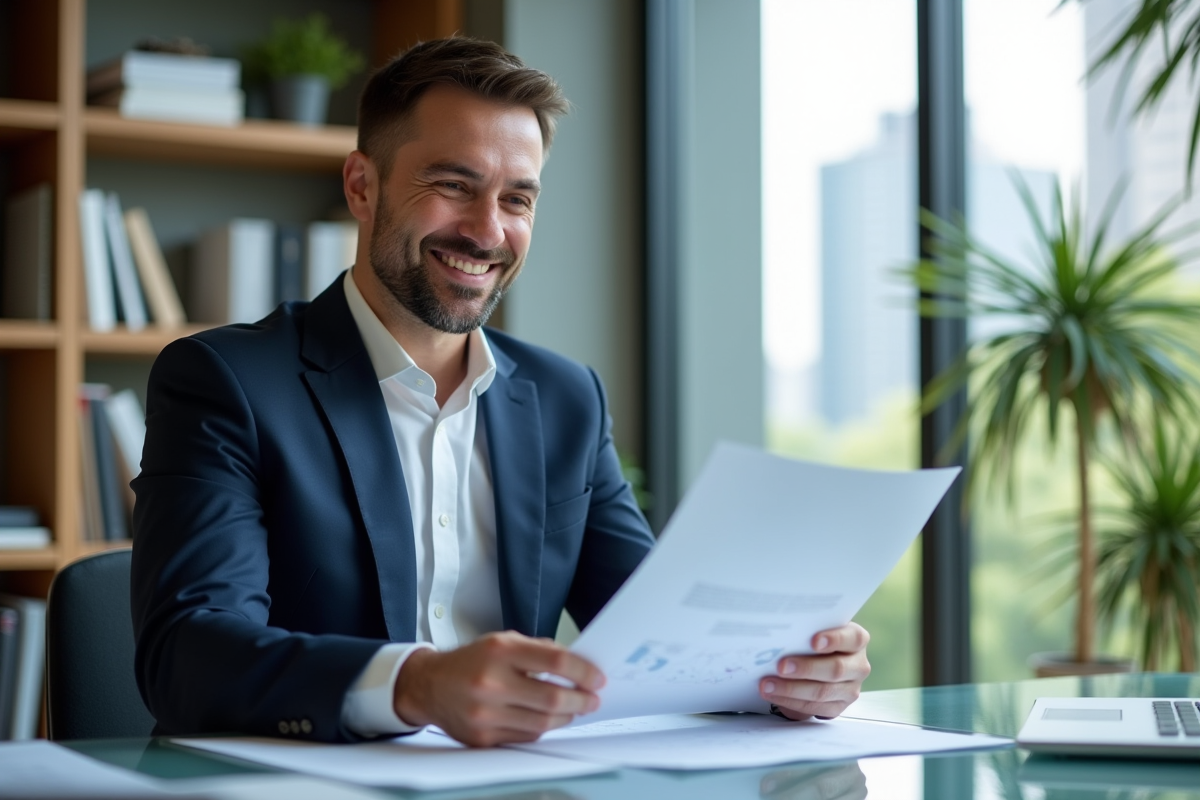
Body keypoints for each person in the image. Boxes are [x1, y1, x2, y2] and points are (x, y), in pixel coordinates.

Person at [130, 37, 870, 748]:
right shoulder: (226, 382)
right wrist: (415, 685)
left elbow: (659, 640)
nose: (488, 231)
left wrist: (791, 672)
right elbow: (187, 655)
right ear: (362, 185)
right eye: (453, 185)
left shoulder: (565, 398)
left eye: (518, 199)